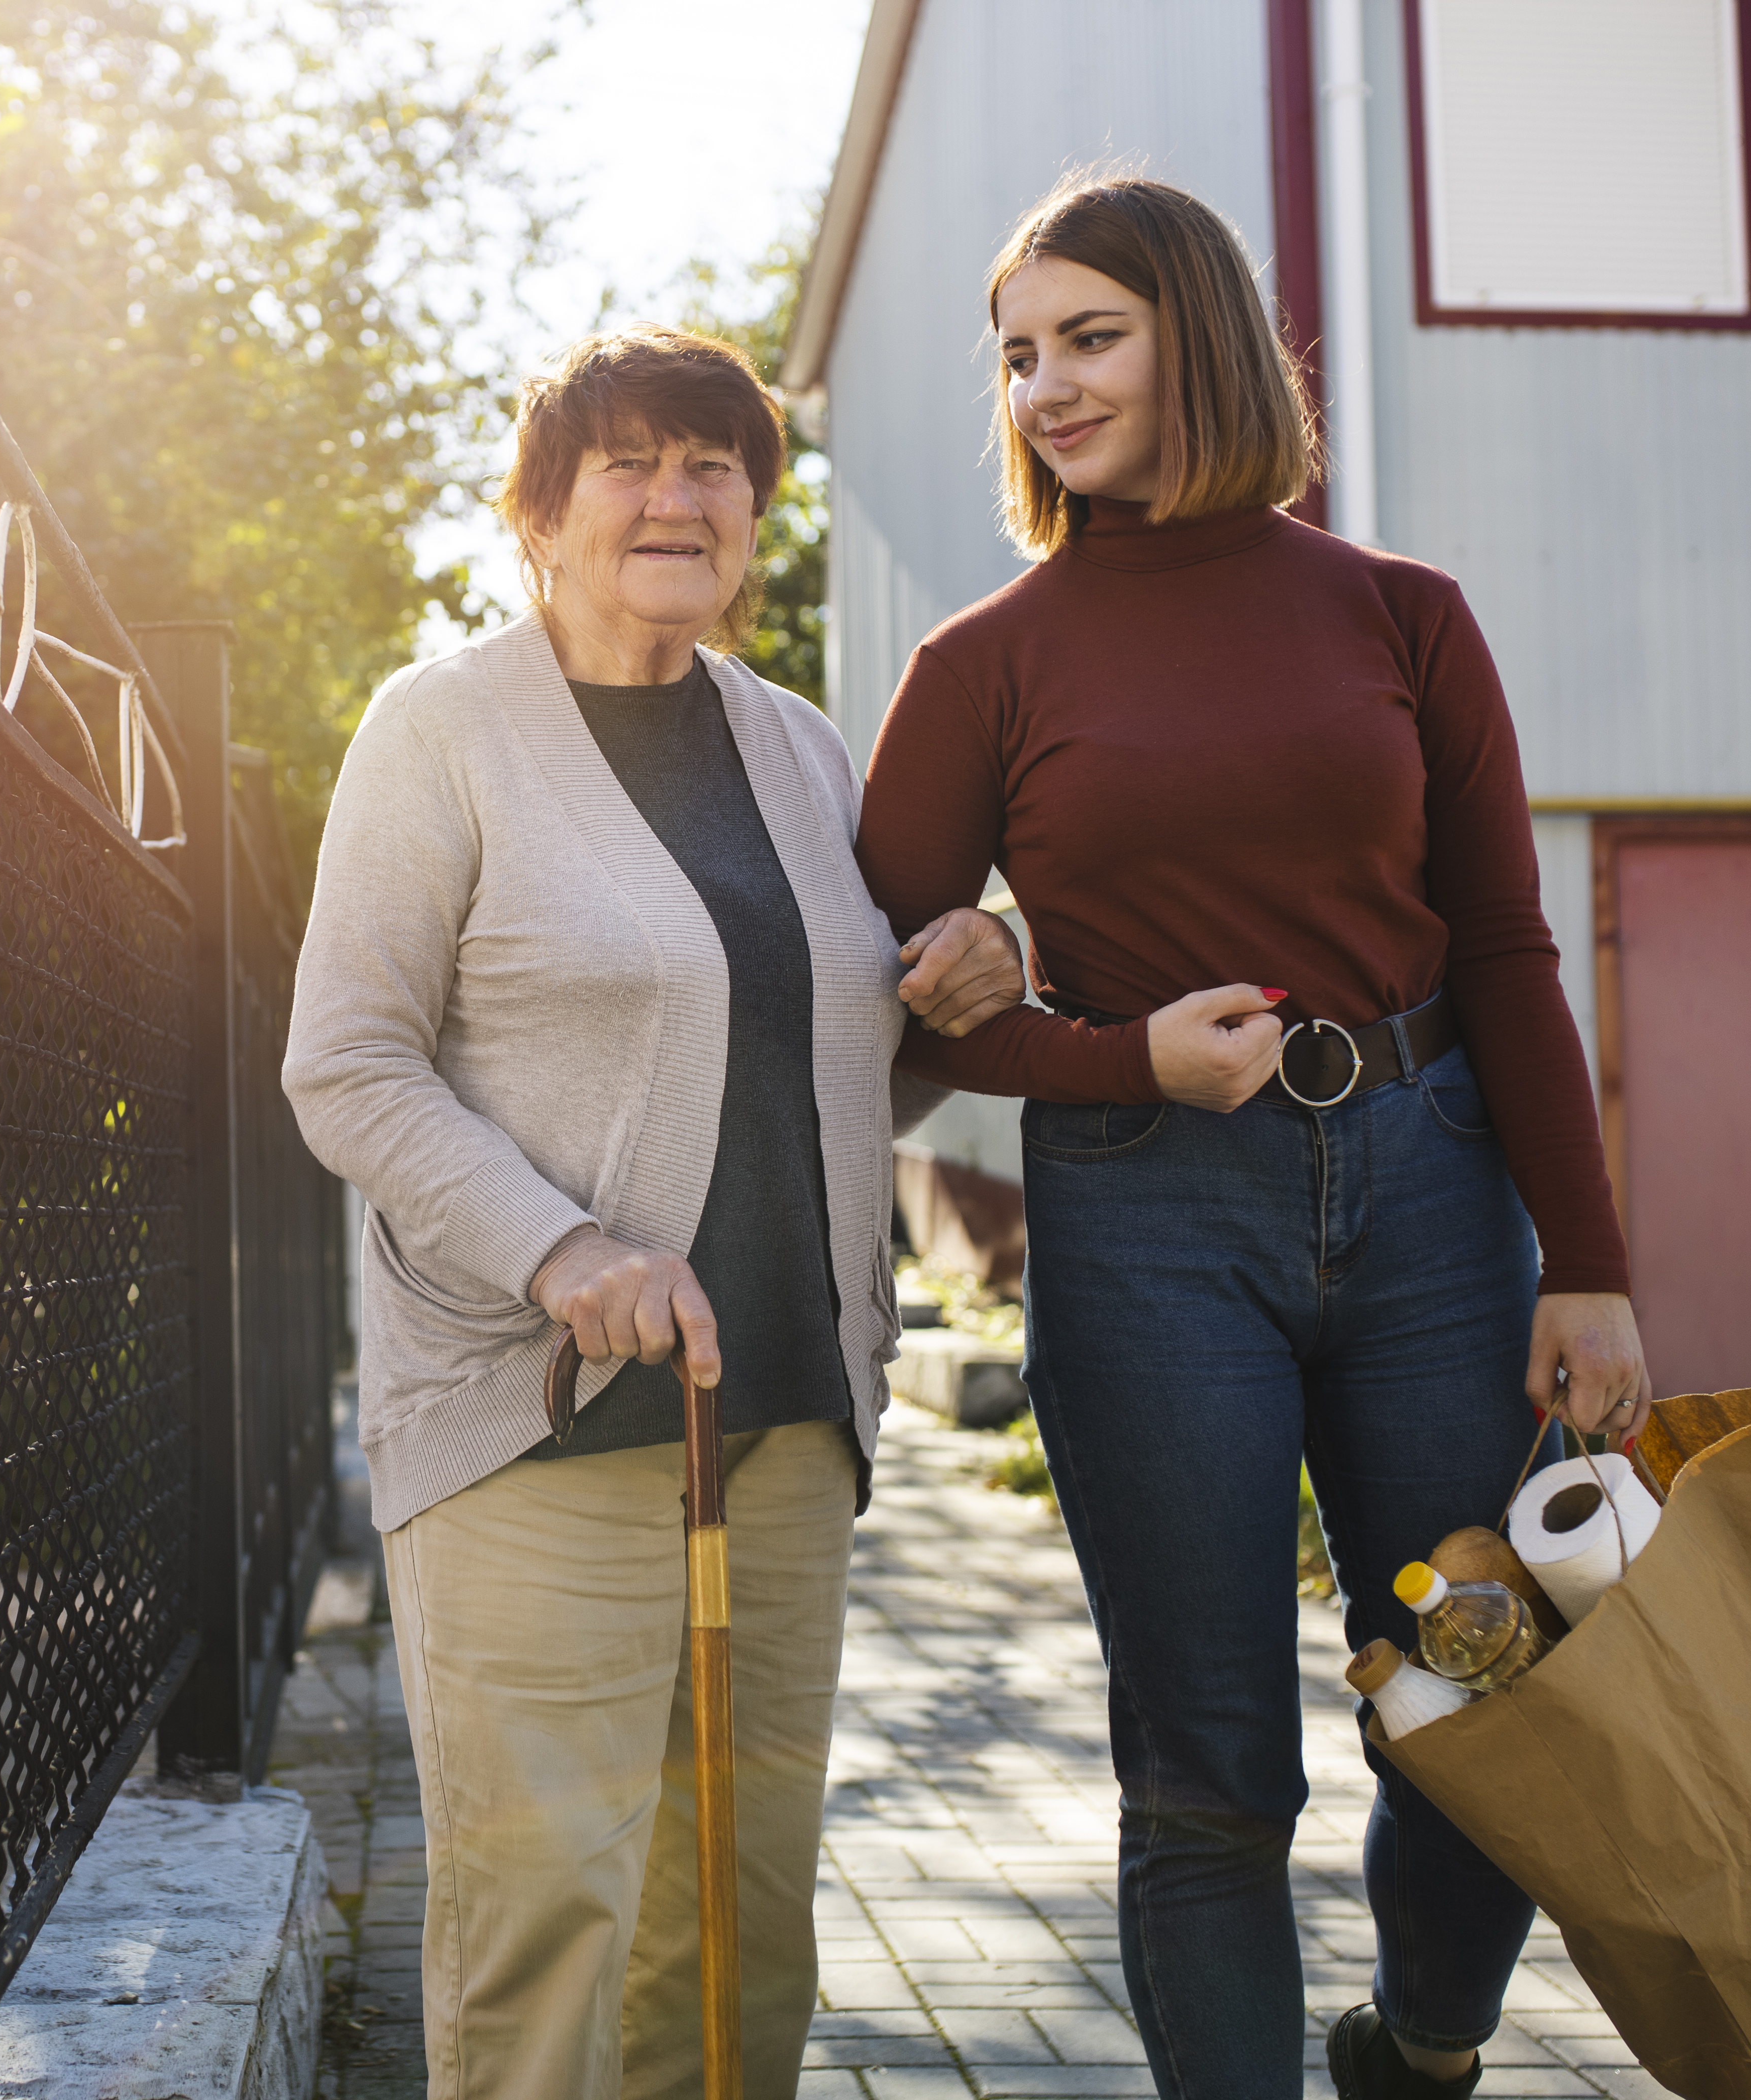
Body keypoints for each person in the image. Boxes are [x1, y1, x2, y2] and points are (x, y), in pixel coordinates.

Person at [859, 176, 1653, 2100]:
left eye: (1090, 337)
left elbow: (1509, 950)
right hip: (1148, 1235)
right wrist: (1113, 1054)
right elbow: (875, 1017)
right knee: (1208, 1767)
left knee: (1478, 1709)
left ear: (1199, 331)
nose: (1045, 386)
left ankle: (1425, 2052)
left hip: (1438, 1204)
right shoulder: (985, 663)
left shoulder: (1405, 615)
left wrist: (1596, 1263)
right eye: (1020, 354)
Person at [283, 325, 1021, 2097]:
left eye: (717, 466)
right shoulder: (440, 730)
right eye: (628, 462)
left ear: (757, 514)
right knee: (551, 1935)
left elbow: (829, 1068)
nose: (678, 497)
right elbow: (349, 1067)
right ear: (542, 513)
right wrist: (566, 1247)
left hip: (781, 1430)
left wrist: (989, 966)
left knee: (744, 1937)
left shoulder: (799, 751)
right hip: (539, 1431)